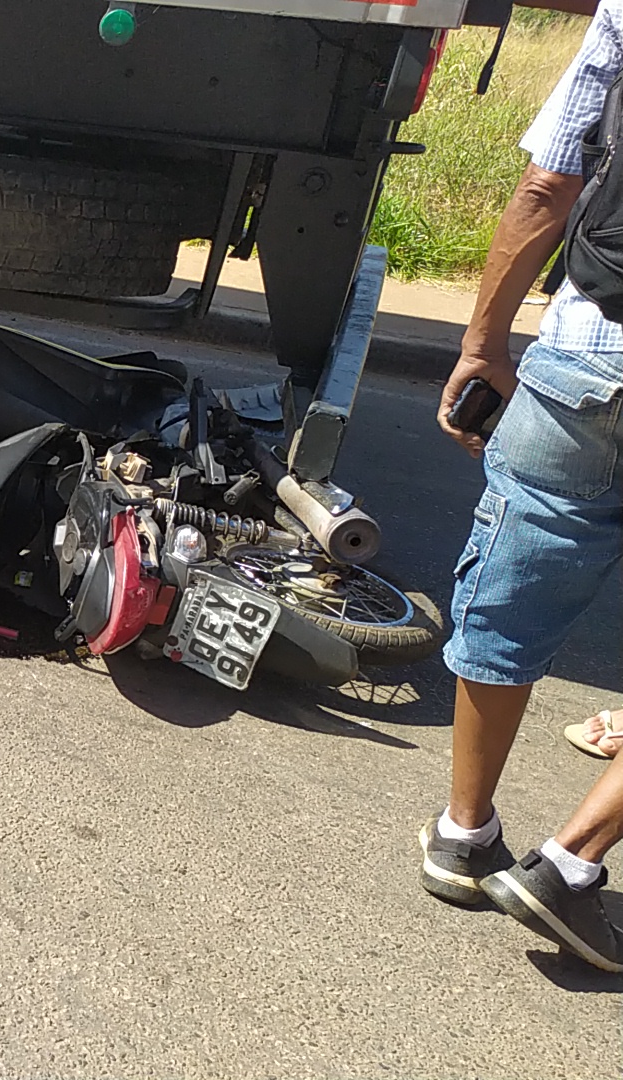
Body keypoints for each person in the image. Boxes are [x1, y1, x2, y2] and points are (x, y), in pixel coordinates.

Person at [421, 2, 623, 972]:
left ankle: (465, 833)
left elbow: (550, 180)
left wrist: (483, 343)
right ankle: (571, 863)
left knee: (515, 586)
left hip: (588, 351)